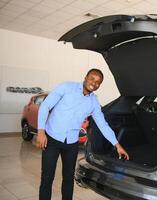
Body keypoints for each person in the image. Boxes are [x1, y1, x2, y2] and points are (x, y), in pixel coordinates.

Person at [36, 68, 129, 200]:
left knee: (68, 179)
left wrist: (117, 144)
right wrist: (41, 131)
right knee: (47, 177)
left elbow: (102, 124)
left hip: (71, 143)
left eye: (98, 82)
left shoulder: (94, 102)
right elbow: (45, 106)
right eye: (92, 78)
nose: (94, 83)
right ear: (85, 77)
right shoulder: (67, 87)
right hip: (52, 139)